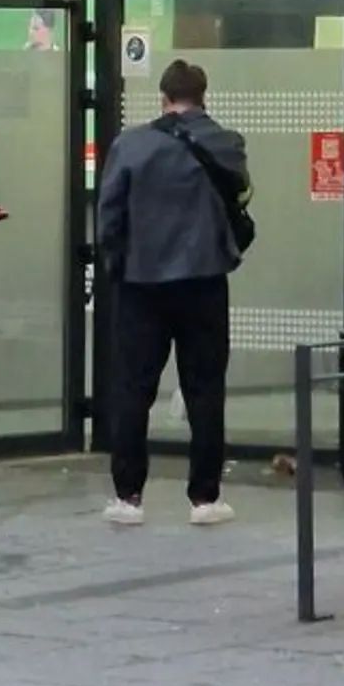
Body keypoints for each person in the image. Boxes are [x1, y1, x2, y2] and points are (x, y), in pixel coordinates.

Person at [95, 59, 250, 529]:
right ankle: (204, 499)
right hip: (204, 281)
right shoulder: (226, 144)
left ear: (163, 96)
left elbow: (109, 214)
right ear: (204, 95)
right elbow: (240, 197)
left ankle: (128, 496)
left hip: (142, 284)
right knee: (205, 389)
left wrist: (117, 265)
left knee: (133, 388)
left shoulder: (131, 145)